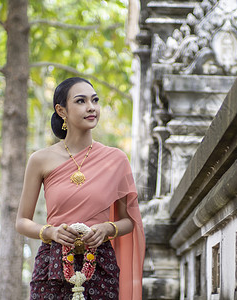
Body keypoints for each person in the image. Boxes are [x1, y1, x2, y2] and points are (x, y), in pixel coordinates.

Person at [16, 77, 145, 300]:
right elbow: (21, 221)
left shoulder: (115, 159)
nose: (91, 107)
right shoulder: (40, 160)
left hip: (100, 263)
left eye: (94, 100)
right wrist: (51, 232)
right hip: (51, 265)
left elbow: (128, 220)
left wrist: (107, 229)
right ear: (61, 110)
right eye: (81, 101)